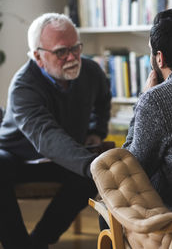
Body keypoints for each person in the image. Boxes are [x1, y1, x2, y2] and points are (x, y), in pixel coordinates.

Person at [0, 13, 111, 249]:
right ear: (38, 57)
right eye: (61, 51)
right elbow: (46, 137)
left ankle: (39, 241)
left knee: (86, 179)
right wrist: (94, 166)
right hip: (19, 157)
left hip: (64, 157)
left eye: (76, 48)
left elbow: (103, 99)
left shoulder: (91, 71)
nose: (72, 57)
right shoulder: (23, 86)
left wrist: (96, 130)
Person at [123, 9, 172, 212]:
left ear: (159, 58)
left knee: (109, 213)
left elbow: (129, 172)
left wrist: (142, 102)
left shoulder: (157, 100)